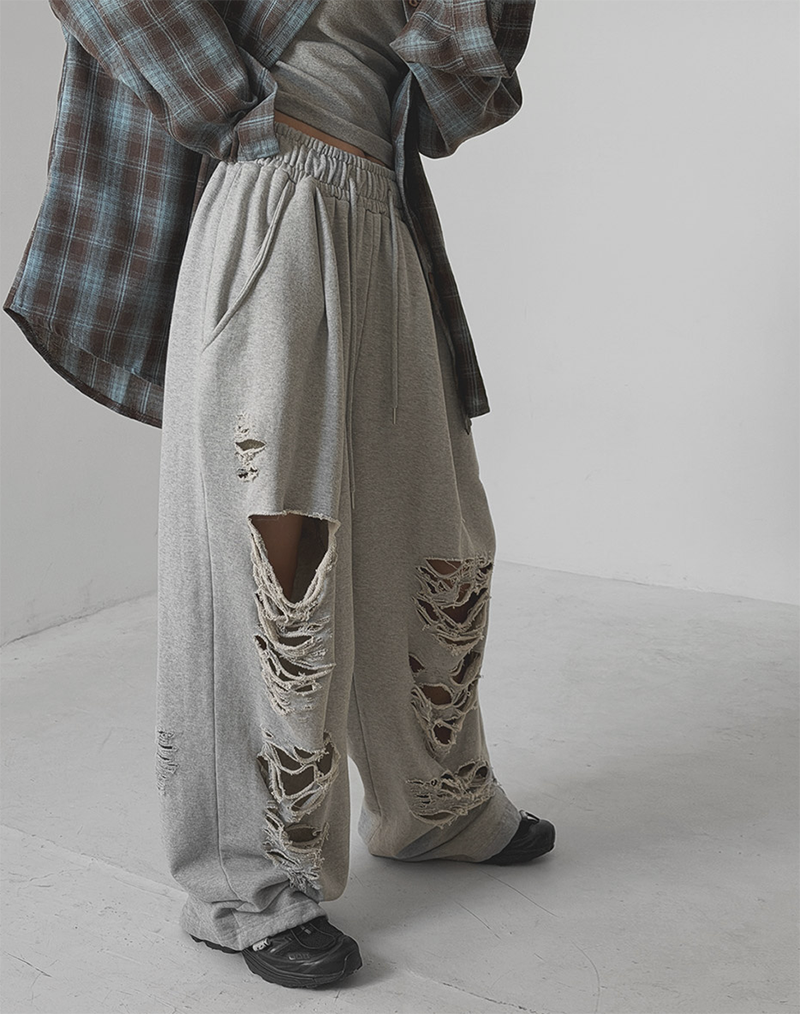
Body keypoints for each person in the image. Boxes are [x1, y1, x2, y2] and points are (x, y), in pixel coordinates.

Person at [5, 0, 551, 991]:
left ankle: (435, 805)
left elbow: (456, 99)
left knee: (434, 528)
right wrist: (232, 104)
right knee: (273, 549)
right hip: (267, 201)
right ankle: (245, 883)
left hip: (381, 211)